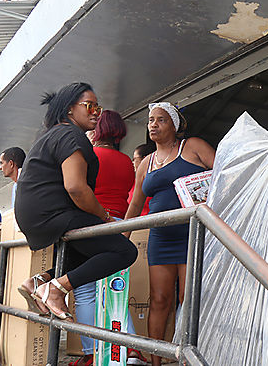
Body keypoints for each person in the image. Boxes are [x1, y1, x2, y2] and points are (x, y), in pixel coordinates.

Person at [14, 82, 137, 320]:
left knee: (88, 251)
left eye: (98, 108)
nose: (96, 112)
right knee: (125, 251)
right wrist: (104, 217)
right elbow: (76, 188)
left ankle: (40, 281)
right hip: (53, 213)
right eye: (89, 106)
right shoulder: (71, 135)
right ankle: (56, 290)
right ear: (70, 109)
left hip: (39, 214)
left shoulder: (52, 134)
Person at [125, 102, 215, 366]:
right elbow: (134, 206)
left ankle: (189, 359)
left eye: (161, 120)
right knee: (159, 300)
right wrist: (120, 240)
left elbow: (224, 173)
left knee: (188, 300)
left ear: (175, 125)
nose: (153, 124)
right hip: (161, 239)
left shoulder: (193, 146)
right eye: (151, 120)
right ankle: (156, 362)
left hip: (193, 236)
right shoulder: (147, 163)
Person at [70, 110, 146, 366]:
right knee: (117, 291)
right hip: (118, 224)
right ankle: (131, 349)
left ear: (98, 129)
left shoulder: (91, 156)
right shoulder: (127, 161)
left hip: (93, 225)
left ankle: (92, 352)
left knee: (85, 292)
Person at [128, 142, 155, 216]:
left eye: (135, 159)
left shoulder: (153, 182)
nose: (132, 162)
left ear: (144, 159)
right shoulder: (134, 182)